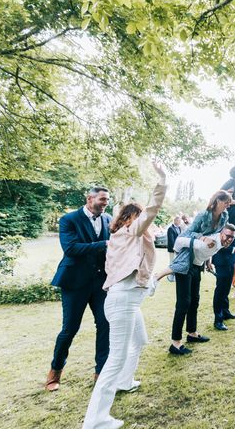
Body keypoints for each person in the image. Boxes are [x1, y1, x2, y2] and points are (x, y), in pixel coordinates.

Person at [82, 162, 166, 429]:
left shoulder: (122, 238)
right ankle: (95, 420)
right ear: (132, 218)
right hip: (122, 303)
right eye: (140, 218)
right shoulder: (129, 233)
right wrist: (162, 179)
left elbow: (133, 273)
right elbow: (152, 209)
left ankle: (125, 381)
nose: (146, 224)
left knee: (139, 340)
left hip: (125, 301)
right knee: (115, 357)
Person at [45, 186, 111, 392]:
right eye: (102, 199)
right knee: (70, 328)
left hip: (101, 282)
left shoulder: (108, 219)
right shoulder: (68, 219)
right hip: (75, 282)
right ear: (89, 198)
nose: (105, 203)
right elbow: (71, 249)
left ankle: (101, 373)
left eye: (107, 200)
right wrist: (105, 243)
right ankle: (55, 371)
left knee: (105, 324)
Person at [168, 190, 232, 355]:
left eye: (229, 203)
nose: (227, 205)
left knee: (195, 299)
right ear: (217, 200)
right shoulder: (203, 215)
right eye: (226, 202)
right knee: (183, 302)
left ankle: (192, 333)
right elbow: (186, 235)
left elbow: (215, 238)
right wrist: (202, 238)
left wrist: (207, 260)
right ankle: (175, 343)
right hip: (187, 258)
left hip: (199, 260)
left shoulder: (224, 217)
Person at [207, 224, 235, 330]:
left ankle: (226, 312)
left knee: (226, 290)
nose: (230, 239)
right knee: (220, 291)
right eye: (227, 236)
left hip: (230, 264)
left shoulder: (234, 238)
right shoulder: (217, 239)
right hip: (221, 264)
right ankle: (218, 320)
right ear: (222, 233)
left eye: (232, 237)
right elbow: (221, 248)